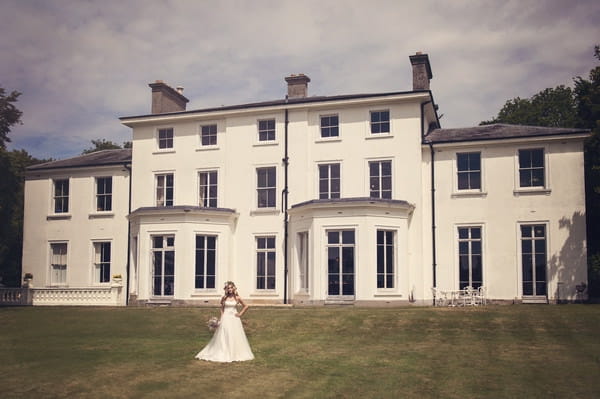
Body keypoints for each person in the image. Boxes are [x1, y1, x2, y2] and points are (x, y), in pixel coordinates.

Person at [195, 281, 254, 362]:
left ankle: (234, 353)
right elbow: (222, 308)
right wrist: (221, 318)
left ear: (234, 288)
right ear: (226, 289)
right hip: (226, 318)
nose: (230, 289)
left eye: (231, 288)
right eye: (228, 288)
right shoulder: (224, 298)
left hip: (234, 319)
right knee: (225, 334)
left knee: (234, 335)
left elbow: (246, 306)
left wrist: (240, 314)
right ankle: (224, 351)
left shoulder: (237, 298)